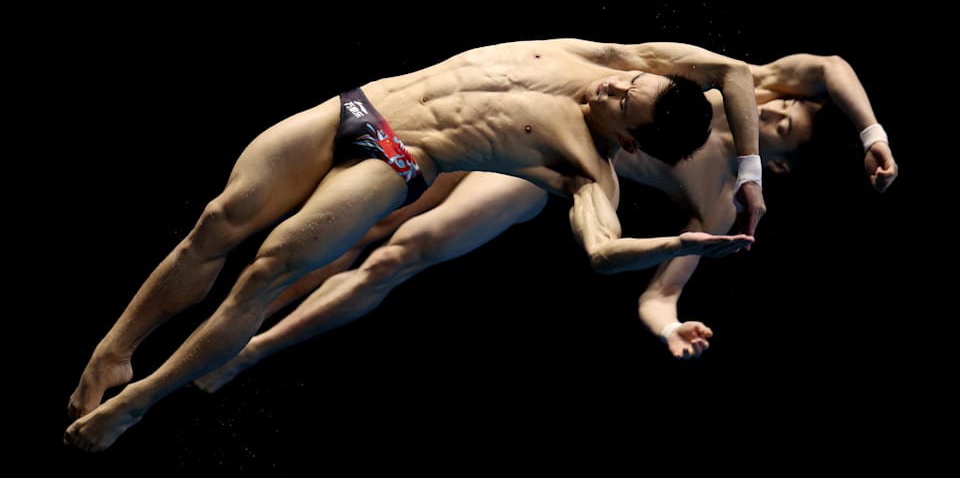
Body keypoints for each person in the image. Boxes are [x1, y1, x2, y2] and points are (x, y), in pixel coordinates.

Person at [64, 38, 766, 452]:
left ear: (631, 139)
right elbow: (734, 72)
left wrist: (681, 243)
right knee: (216, 223)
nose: (613, 87)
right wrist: (751, 173)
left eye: (623, 104)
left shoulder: (586, 167)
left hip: (395, 159)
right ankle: (117, 351)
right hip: (356, 105)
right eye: (629, 83)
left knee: (265, 275)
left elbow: (600, 252)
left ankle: (139, 403)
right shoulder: (610, 57)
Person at [185, 51, 896, 394]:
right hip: (535, 120)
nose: (771, 110)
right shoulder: (748, 89)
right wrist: (870, 134)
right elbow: (830, 65)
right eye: (782, 105)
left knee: (397, 253)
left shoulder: (720, 203)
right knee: (361, 227)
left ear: (785, 167)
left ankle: (248, 351)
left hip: (558, 173)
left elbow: (658, 293)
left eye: (781, 129)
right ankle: (228, 324)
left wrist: (669, 327)